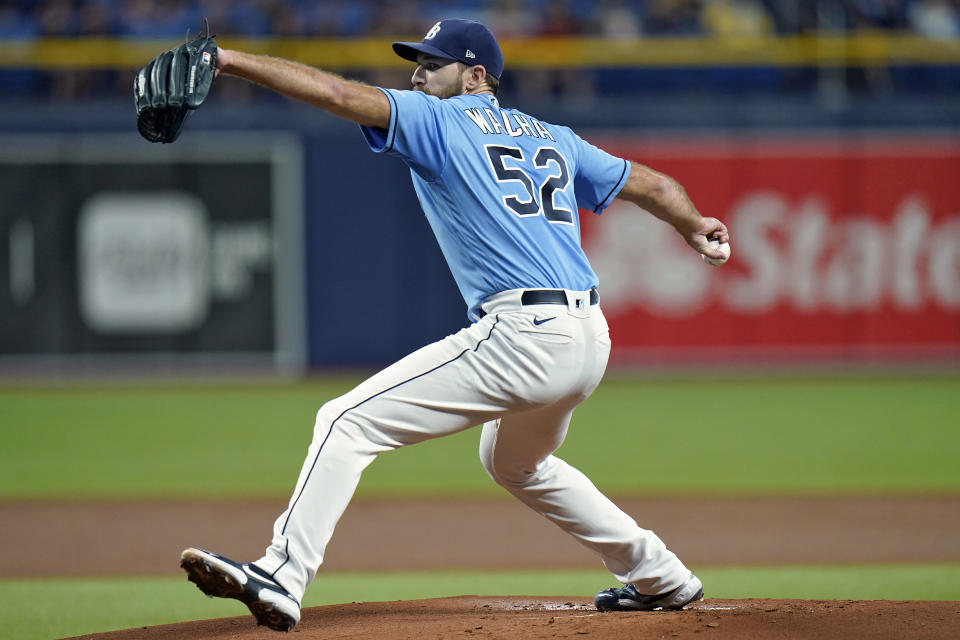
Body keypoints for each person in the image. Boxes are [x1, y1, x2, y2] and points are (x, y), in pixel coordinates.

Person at [180, 18, 728, 632]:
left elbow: (335, 95)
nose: (417, 74)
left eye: (432, 64)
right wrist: (694, 224)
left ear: (475, 77)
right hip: (589, 337)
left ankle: (282, 572)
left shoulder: (437, 118)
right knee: (515, 464)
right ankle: (661, 577)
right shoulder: (555, 137)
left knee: (345, 420)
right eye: (417, 63)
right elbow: (652, 184)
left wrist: (229, 60)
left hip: (525, 334)